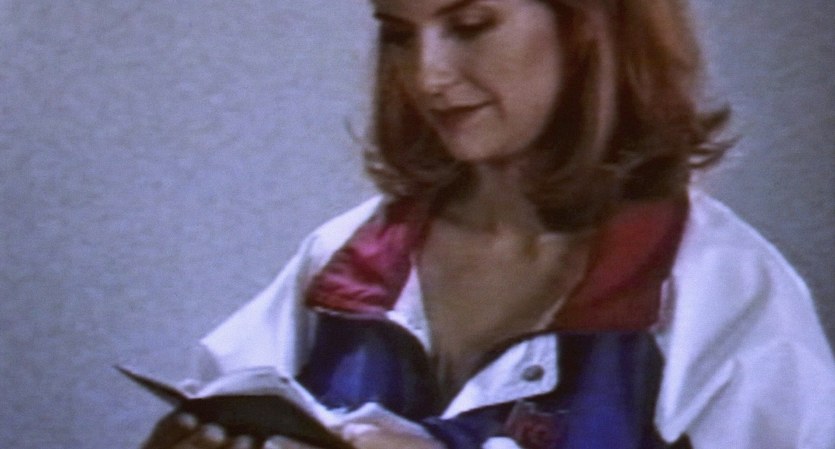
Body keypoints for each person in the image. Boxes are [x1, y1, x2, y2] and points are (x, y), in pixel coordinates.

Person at [139, 0, 835, 448]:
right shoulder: (346, 260)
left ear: (588, 27)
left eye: (469, 26)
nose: (427, 77)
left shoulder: (723, 288)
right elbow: (221, 397)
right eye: (398, 36)